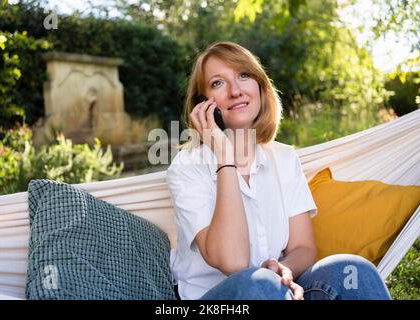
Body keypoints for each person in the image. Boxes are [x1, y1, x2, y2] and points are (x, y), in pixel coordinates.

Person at [166, 41, 391, 300]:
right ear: (203, 104)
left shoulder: (283, 158)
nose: (236, 90)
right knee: (259, 283)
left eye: (244, 75)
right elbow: (234, 262)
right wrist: (225, 157)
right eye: (218, 83)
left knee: (354, 270)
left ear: (260, 87)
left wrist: (284, 269)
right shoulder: (186, 168)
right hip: (217, 299)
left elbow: (303, 247)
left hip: (282, 288)